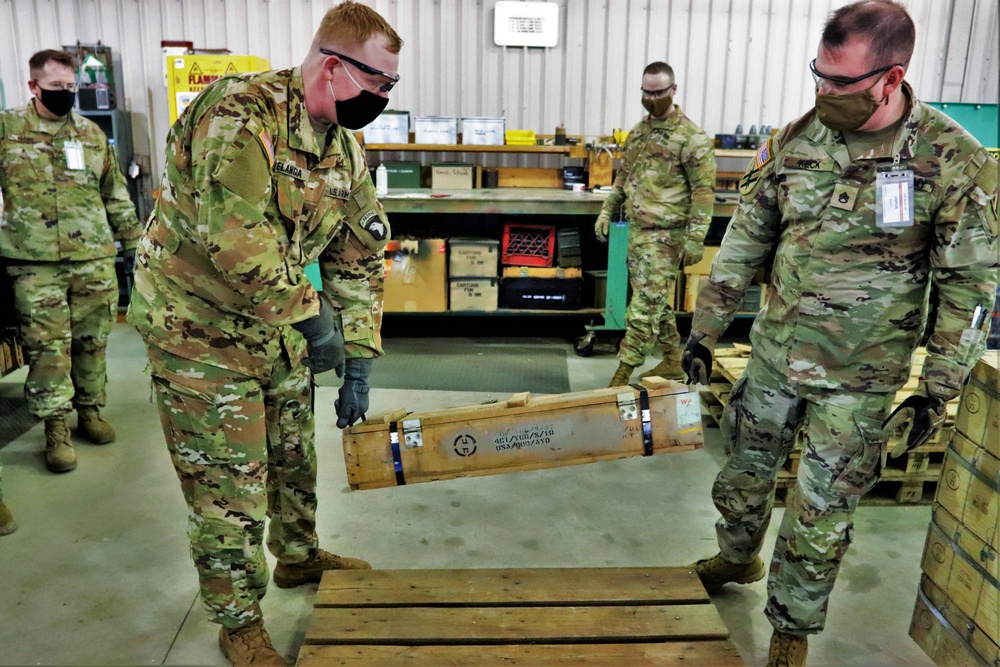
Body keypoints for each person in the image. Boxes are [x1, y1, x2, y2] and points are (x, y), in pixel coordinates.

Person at [682, 2, 999, 666]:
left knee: (821, 513)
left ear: (891, 77)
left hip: (859, 381)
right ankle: (738, 559)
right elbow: (746, 240)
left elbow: (968, 288)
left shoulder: (950, 161)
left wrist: (935, 389)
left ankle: (791, 629)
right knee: (742, 473)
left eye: (840, 82)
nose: (824, 92)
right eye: (818, 75)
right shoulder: (797, 138)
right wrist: (705, 329)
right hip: (772, 356)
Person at [127, 3, 401, 665]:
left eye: (392, 87)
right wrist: (314, 321)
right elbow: (236, 241)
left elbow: (359, 248)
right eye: (380, 84)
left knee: (291, 456)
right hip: (198, 327)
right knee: (230, 483)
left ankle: (299, 556)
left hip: (274, 324)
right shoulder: (240, 116)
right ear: (334, 67)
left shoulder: (341, 144)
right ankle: (238, 618)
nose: (385, 99)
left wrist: (358, 350)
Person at [0, 50, 140, 473]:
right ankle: (55, 428)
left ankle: (89, 413)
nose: (66, 94)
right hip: (34, 260)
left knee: (92, 342)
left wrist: (134, 242)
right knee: (48, 349)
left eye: (71, 87)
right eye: (57, 87)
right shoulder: (7, 130)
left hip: (93, 257)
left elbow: (115, 193)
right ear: (34, 86)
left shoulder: (92, 134)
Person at [595, 61, 717, 387]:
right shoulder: (638, 133)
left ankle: (622, 373)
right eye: (647, 93)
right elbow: (623, 176)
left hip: (667, 237)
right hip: (638, 234)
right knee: (656, 302)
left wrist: (695, 239)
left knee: (643, 307)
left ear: (673, 90)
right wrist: (607, 209)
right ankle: (671, 361)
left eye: (659, 92)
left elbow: (704, 193)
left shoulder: (691, 138)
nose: (652, 99)